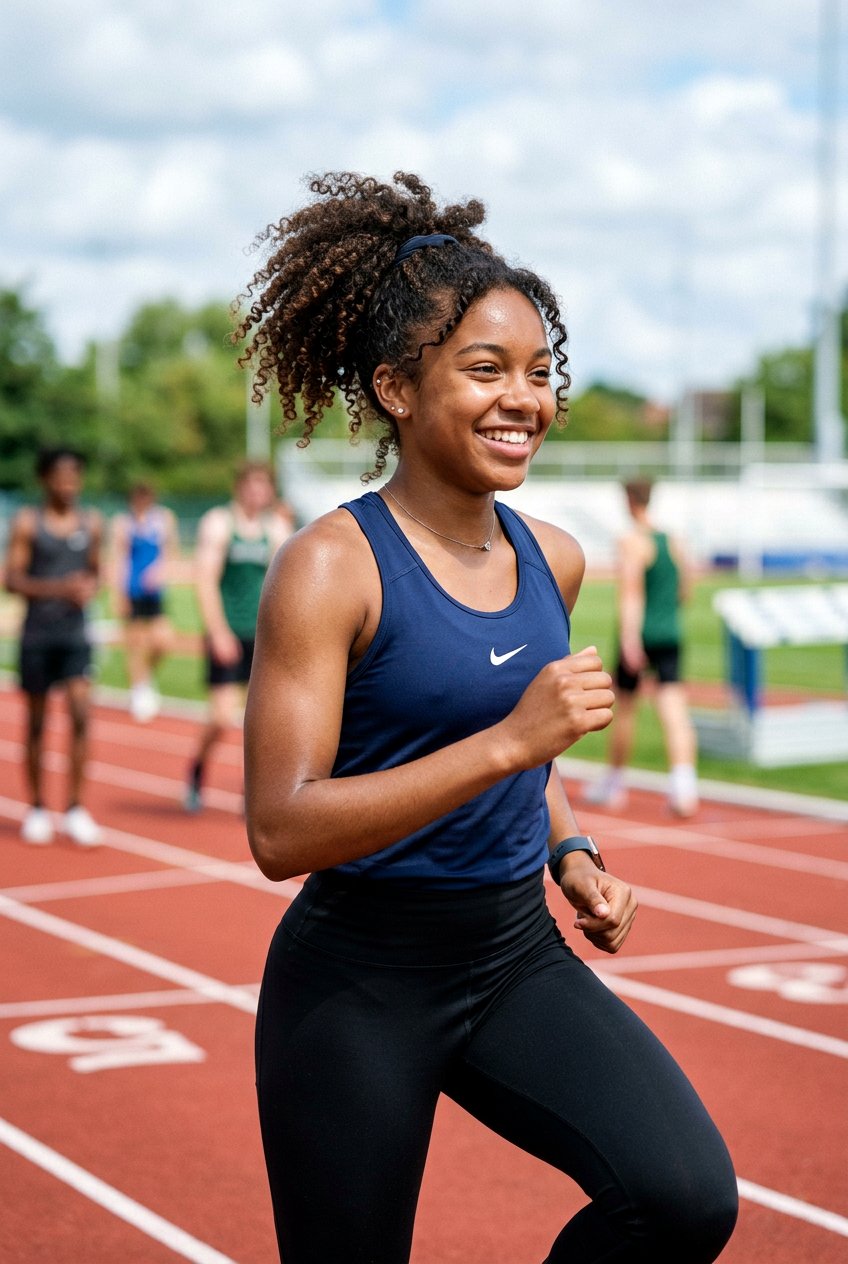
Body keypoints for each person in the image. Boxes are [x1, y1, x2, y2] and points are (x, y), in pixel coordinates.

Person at [240, 172, 737, 1264]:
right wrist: (510, 740)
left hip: (513, 951)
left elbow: (533, 753)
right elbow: (279, 830)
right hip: (358, 979)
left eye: (538, 372)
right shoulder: (329, 568)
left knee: (686, 1197)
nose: (525, 398)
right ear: (395, 389)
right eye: (484, 369)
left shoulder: (550, 558)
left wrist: (570, 849)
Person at [4, 448, 103, 846]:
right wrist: (59, 589)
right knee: (37, 725)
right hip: (37, 636)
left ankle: (76, 807)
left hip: (75, 635)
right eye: (60, 477)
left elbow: (95, 571)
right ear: (45, 479)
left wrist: (89, 586)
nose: (68, 484)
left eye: (74, 477)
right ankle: (38, 806)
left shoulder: (91, 522)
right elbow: (10, 579)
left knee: (81, 715)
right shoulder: (29, 522)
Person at [585, 478, 699, 816]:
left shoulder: (631, 542)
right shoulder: (675, 541)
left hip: (641, 634)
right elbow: (686, 589)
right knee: (674, 709)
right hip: (670, 632)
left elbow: (631, 593)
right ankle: (684, 788)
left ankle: (614, 783)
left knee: (625, 710)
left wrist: (630, 640)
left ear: (629, 500)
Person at [184, 461, 291, 812]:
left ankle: (253, 793)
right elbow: (205, 581)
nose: (258, 492)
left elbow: (283, 584)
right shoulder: (219, 523)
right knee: (220, 717)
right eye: (253, 485)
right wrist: (218, 632)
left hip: (261, 636)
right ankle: (197, 772)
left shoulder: (275, 527)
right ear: (241, 486)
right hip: (227, 630)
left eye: (265, 486)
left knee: (263, 721)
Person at [110, 482, 178, 722]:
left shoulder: (163, 519)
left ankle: (145, 679)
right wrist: (118, 594)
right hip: (132, 589)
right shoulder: (123, 522)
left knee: (164, 641)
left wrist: (160, 570)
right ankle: (140, 691)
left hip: (155, 591)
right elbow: (119, 558)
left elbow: (170, 551)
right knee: (136, 644)